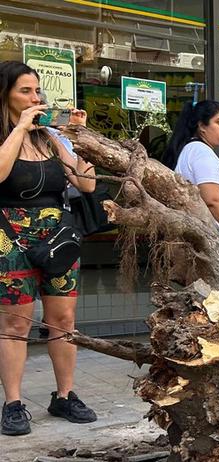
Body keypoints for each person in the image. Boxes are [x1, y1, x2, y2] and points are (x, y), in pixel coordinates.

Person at [0, 60, 98, 435]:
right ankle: (13, 403)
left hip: (55, 236)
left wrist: (82, 139)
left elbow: (86, 185)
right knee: (14, 324)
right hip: (8, 236)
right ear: (5, 94)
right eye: (25, 90)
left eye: (37, 90)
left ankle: (64, 395)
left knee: (63, 321)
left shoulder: (50, 138)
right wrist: (20, 128)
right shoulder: (8, 133)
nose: (34, 97)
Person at [165, 100, 219, 263]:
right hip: (211, 240)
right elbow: (213, 200)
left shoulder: (191, 150)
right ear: (202, 126)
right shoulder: (201, 152)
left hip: (204, 239)